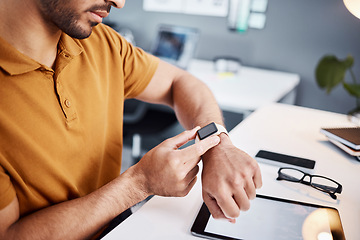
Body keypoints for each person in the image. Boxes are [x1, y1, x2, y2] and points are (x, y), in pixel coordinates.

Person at [0, 0, 262, 239]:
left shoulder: (102, 43)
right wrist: (140, 183)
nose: (120, 3)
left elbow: (179, 82)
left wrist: (218, 145)